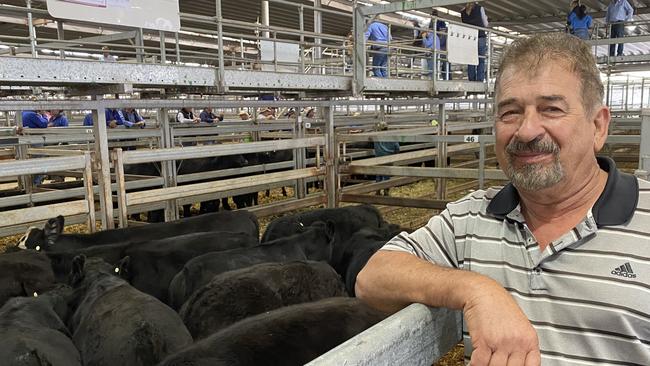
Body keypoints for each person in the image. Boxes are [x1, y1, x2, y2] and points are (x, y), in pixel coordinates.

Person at [356, 33, 649, 365]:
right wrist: (477, 290)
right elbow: (372, 278)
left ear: (597, 126)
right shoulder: (470, 217)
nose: (526, 131)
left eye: (551, 109)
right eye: (510, 112)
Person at [461, 2, 489, 82]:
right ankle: (479, 79)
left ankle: (471, 79)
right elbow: (485, 23)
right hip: (480, 36)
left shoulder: (463, 11)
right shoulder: (480, 8)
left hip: (469, 37)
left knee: (471, 59)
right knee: (481, 59)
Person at [373, 121, 399, 195]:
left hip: (378, 158)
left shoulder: (376, 136)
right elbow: (397, 147)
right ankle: (386, 191)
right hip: (388, 157)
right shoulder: (391, 136)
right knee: (386, 174)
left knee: (378, 174)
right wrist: (395, 155)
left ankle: (377, 190)